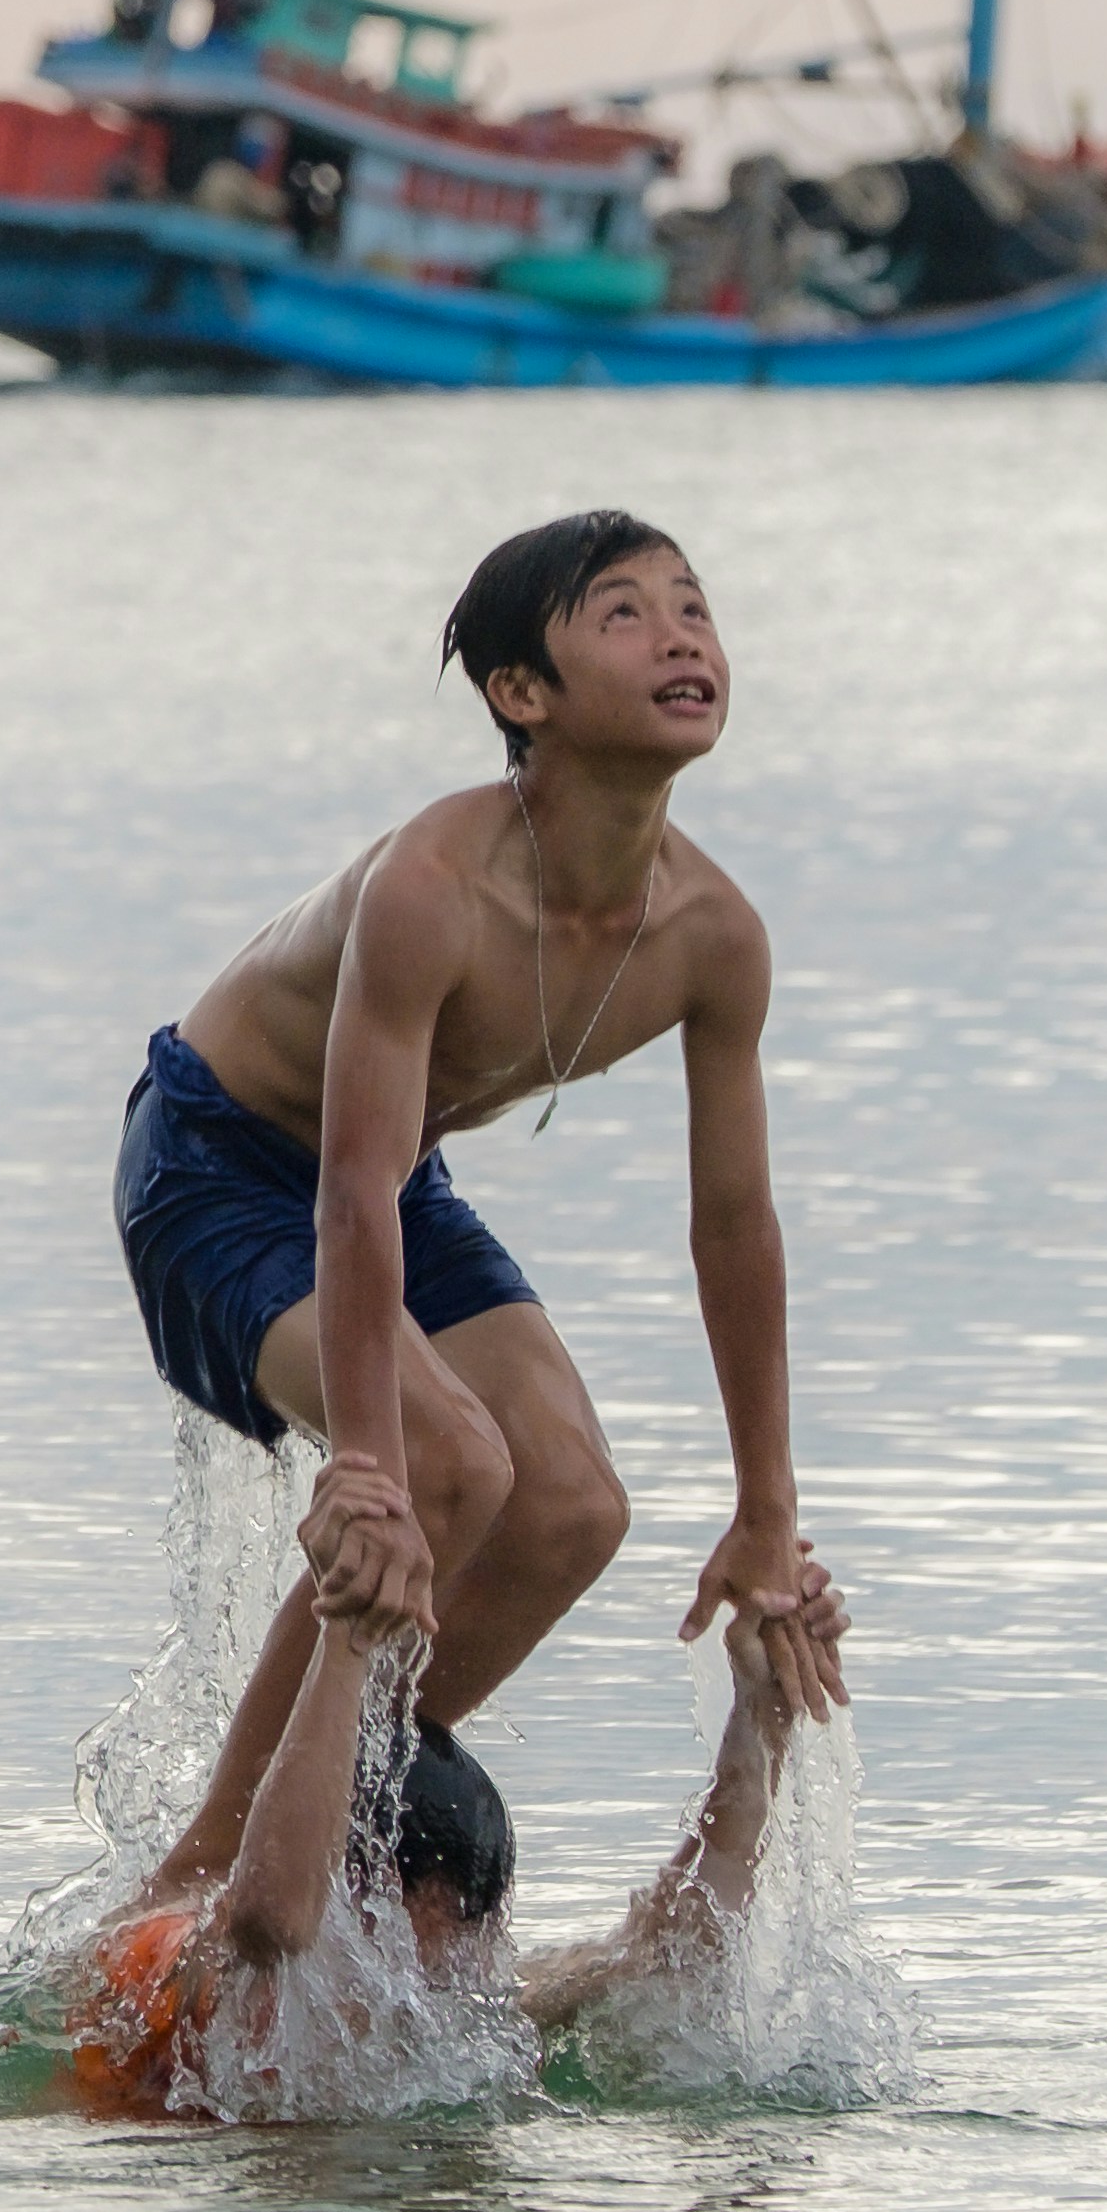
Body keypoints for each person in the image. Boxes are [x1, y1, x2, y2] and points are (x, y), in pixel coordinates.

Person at [112, 511, 839, 1918]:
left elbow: (736, 1226)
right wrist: (370, 1471)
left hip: (396, 1181)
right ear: (522, 692)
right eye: (623, 613)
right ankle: (197, 1875)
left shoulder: (714, 936)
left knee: (574, 1504)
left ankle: (352, 1813)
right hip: (217, 1157)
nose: (680, 634)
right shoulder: (433, 888)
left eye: (693, 607)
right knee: (446, 1463)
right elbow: (346, 1187)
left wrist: (767, 1514)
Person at [57, 1560, 852, 2119]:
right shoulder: (186, 1967)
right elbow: (269, 1914)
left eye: (459, 1951)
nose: (428, 1991)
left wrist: (763, 1722)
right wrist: (347, 1638)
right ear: (350, 1903)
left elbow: (668, 1949)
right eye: (411, 1950)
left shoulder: (446, 2004)